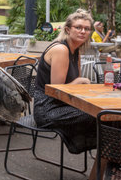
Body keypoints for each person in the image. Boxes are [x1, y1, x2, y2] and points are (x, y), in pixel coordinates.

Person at [33, 9, 97, 154]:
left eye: (87, 29)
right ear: (68, 29)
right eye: (78, 27)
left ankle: (109, 158)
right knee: (100, 116)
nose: (83, 31)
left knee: (107, 115)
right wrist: (80, 81)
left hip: (64, 105)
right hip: (47, 109)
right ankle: (109, 158)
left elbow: (76, 89)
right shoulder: (61, 49)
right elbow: (56, 91)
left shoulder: (76, 51)